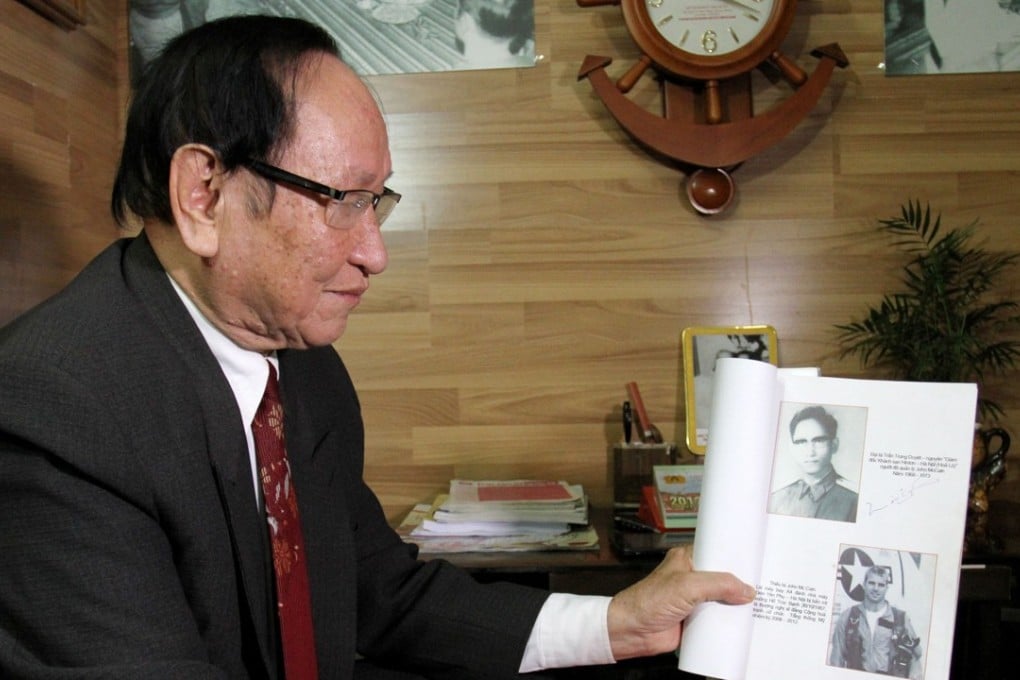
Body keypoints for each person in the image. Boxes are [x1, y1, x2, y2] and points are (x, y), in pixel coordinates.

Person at [0, 15, 754, 680]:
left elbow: (377, 591)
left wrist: (617, 623)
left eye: (378, 201)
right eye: (343, 200)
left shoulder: (306, 369)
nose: (375, 253)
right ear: (204, 194)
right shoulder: (53, 406)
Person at [767, 405, 858, 522]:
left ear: (834, 445)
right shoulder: (777, 499)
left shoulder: (854, 502)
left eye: (819, 441)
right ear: (792, 447)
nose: (810, 452)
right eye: (801, 442)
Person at [829, 566, 923, 678]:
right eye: (871, 583)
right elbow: (836, 658)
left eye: (881, 585)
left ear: (887, 588)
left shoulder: (900, 619)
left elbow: (916, 658)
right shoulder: (848, 616)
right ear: (864, 585)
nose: (876, 588)